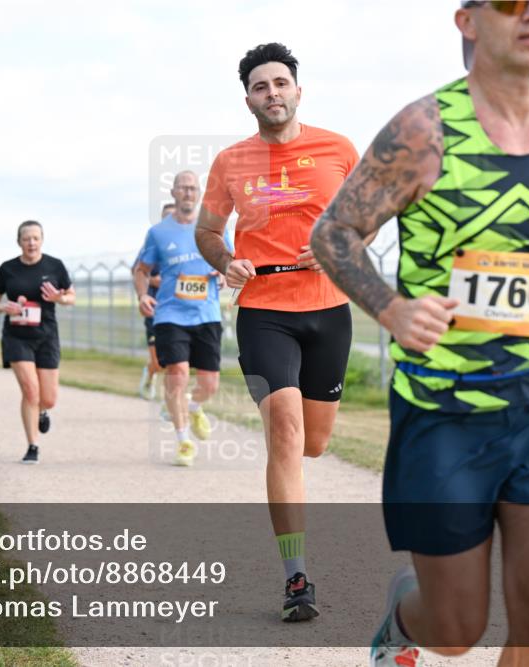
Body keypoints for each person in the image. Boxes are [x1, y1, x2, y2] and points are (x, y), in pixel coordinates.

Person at [309, 3, 529, 665]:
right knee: (456, 628)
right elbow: (334, 232)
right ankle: (404, 621)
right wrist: (392, 309)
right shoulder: (423, 131)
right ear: (467, 22)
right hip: (444, 412)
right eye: (512, 1)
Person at [195, 42, 360, 622]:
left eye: (280, 83)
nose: (273, 93)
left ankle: (296, 544)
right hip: (264, 309)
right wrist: (224, 261)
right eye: (261, 86)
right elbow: (209, 232)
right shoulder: (230, 162)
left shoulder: (338, 149)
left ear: (297, 89)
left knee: (314, 443)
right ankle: (296, 578)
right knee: (286, 435)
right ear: (248, 100)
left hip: (329, 310)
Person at [135, 173, 231, 466]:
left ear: (198, 193)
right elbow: (141, 270)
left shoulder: (216, 227)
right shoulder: (159, 233)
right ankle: (183, 441)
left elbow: (231, 262)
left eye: (193, 188)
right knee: (177, 372)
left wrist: (226, 272)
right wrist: (142, 295)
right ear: (174, 191)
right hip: (170, 314)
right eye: (183, 188)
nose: (188, 193)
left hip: (207, 314)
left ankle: (194, 406)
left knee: (210, 384)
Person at [0, 221, 75, 464]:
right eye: (27, 239)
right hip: (17, 337)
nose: (31, 243)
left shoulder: (54, 266)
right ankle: (32, 446)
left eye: (36, 238)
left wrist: (59, 297)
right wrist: (4, 307)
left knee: (48, 398)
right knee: (30, 390)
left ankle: (42, 412)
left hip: (46, 335)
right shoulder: (8, 269)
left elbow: (71, 296)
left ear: (42, 240)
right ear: (19, 242)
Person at [135, 202, 175, 401]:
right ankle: (150, 372)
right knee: (160, 362)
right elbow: (139, 272)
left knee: (177, 360)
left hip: (179, 311)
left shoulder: (187, 245)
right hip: (155, 310)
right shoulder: (153, 245)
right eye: (166, 217)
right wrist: (155, 281)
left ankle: (171, 404)